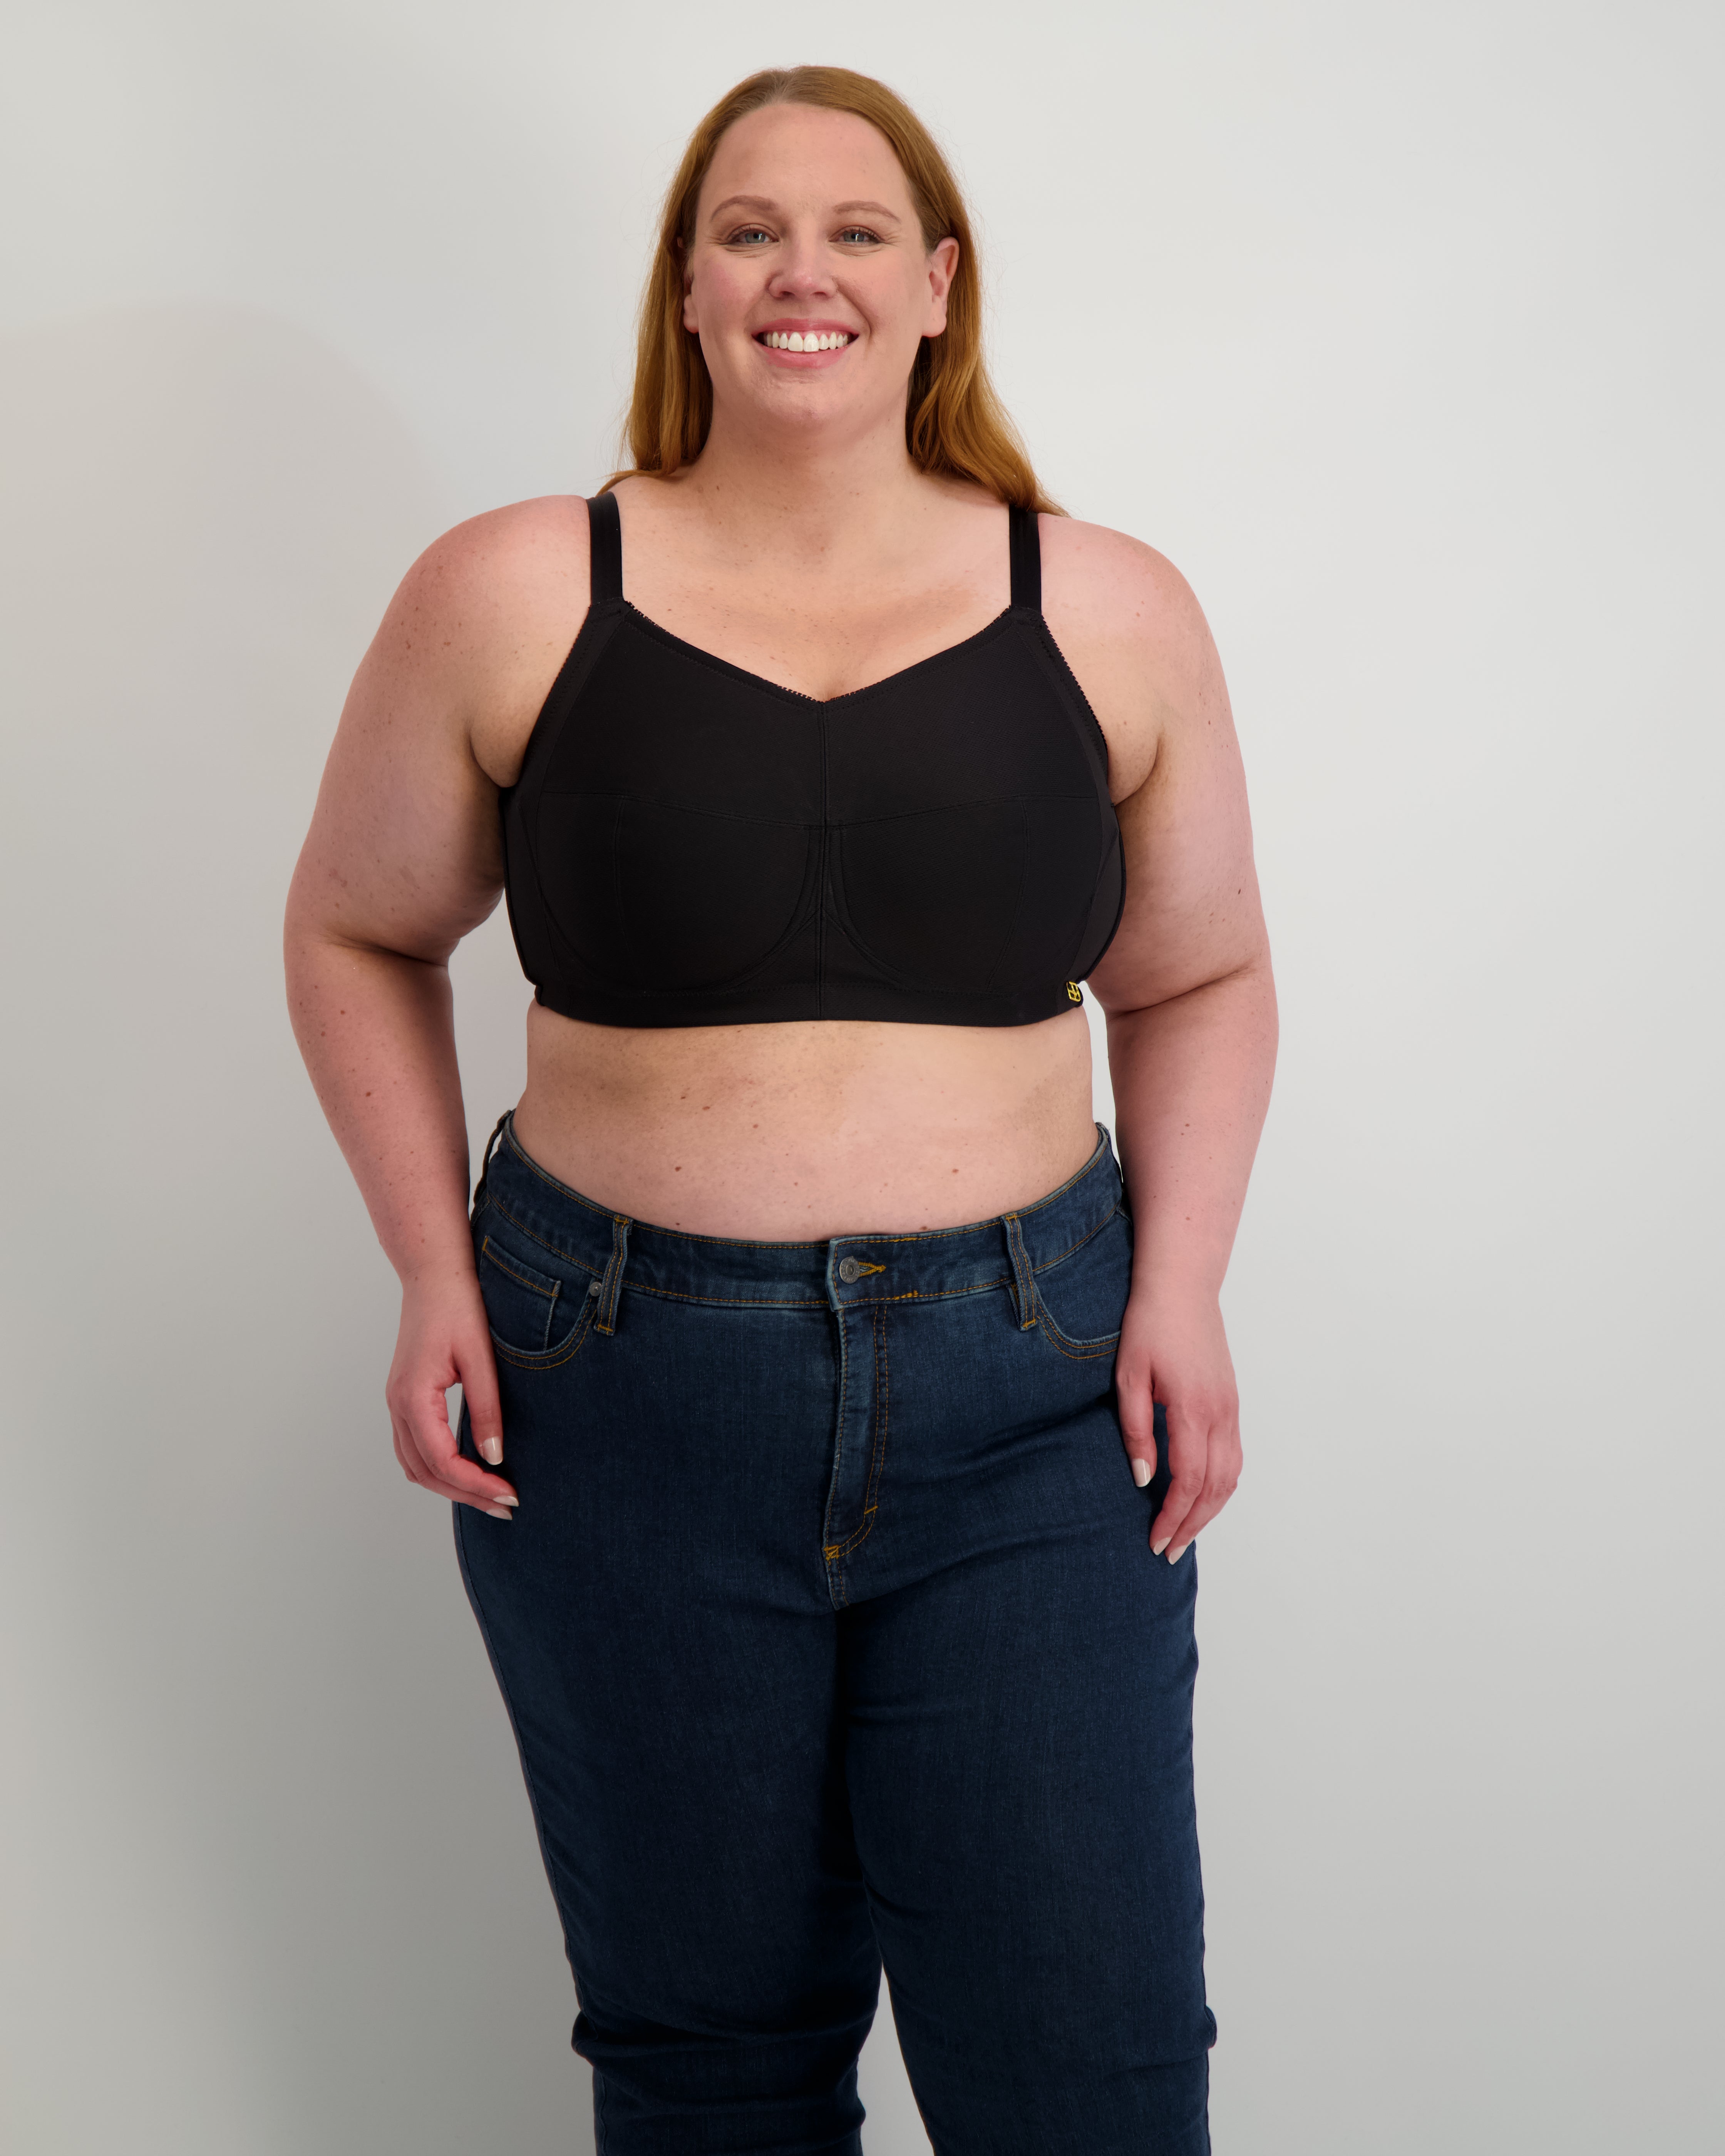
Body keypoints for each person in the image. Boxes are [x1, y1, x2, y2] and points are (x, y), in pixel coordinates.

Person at [285, 62, 1275, 2156]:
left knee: (1087, 2073)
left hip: (1035, 1396)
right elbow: (358, 929)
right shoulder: (515, 588)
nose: (797, 273)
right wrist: (430, 1269)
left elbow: (1197, 975)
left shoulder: (1107, 606)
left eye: (851, 233)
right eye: (747, 230)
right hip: (616, 1390)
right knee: (709, 2062)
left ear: (937, 285)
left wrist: (1182, 1285)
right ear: (688, 284)